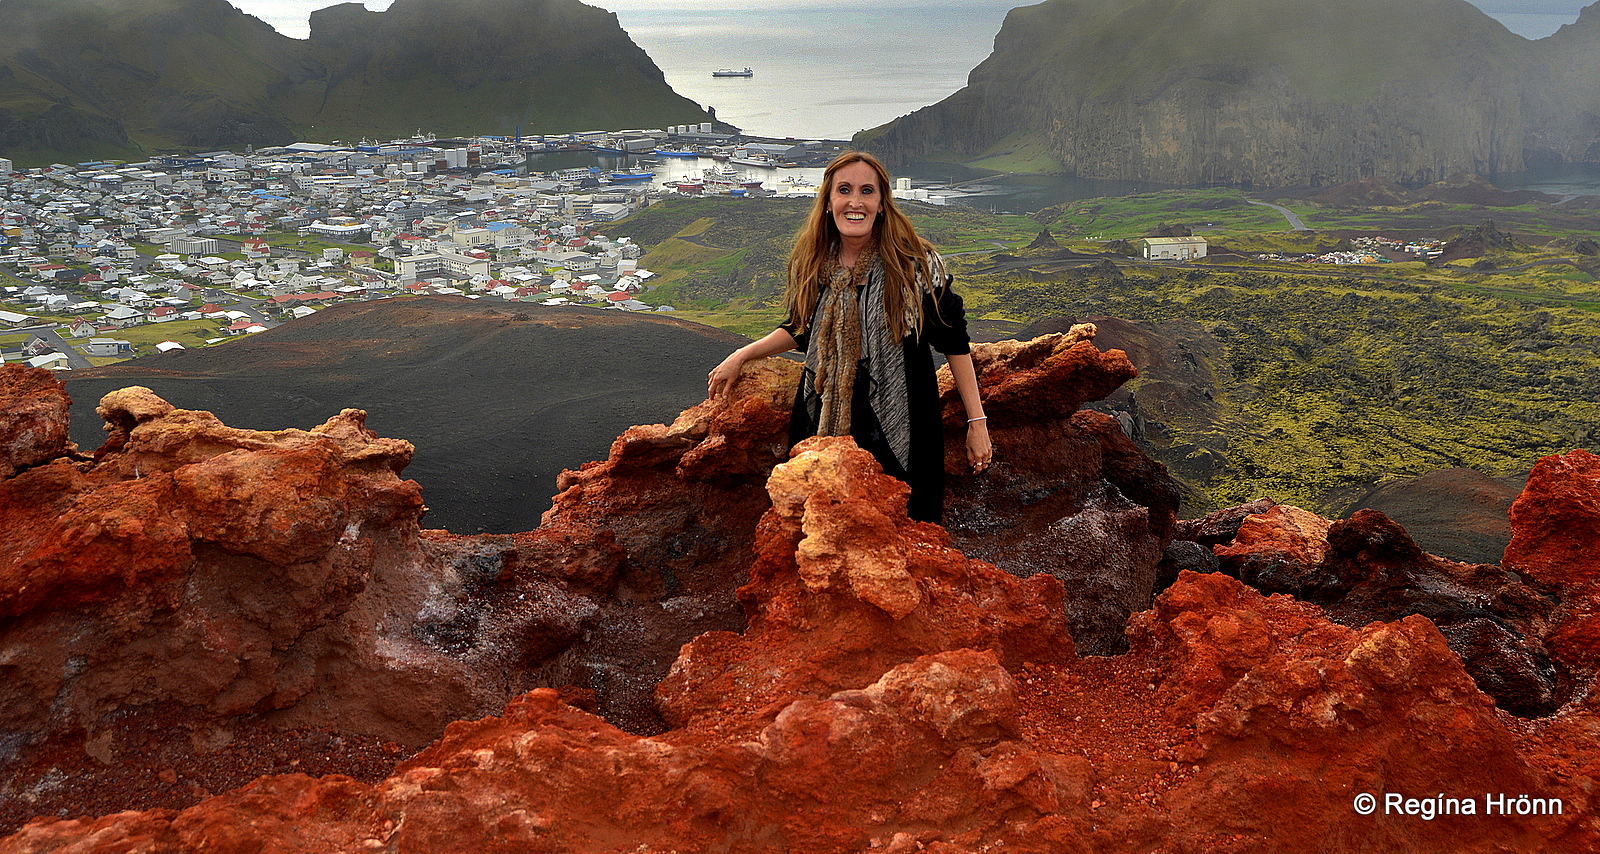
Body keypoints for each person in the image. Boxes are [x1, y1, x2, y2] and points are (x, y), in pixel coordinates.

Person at [707, 151, 991, 523]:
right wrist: (742, 355)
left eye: (867, 191)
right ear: (828, 202)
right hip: (823, 417)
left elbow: (954, 341)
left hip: (903, 424)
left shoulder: (915, 266)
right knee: (822, 527)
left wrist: (977, 423)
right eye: (844, 190)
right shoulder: (815, 263)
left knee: (909, 529)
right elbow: (801, 329)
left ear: (881, 204)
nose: (855, 202)